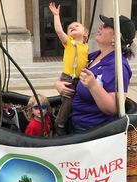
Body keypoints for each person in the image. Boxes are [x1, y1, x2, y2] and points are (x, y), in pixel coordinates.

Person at [55, 14, 136, 133]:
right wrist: (58, 83)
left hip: (90, 131)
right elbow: (73, 71)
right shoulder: (94, 56)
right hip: (75, 122)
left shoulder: (118, 66)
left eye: (107, 25)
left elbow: (113, 108)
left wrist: (93, 86)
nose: (101, 26)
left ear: (116, 37)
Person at [49, 2, 89, 135]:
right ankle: (59, 123)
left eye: (76, 26)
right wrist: (56, 16)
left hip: (79, 78)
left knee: (76, 102)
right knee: (68, 102)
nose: (72, 27)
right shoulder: (70, 43)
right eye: (70, 28)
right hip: (68, 78)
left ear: (85, 33)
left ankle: (69, 121)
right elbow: (59, 31)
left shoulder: (86, 47)